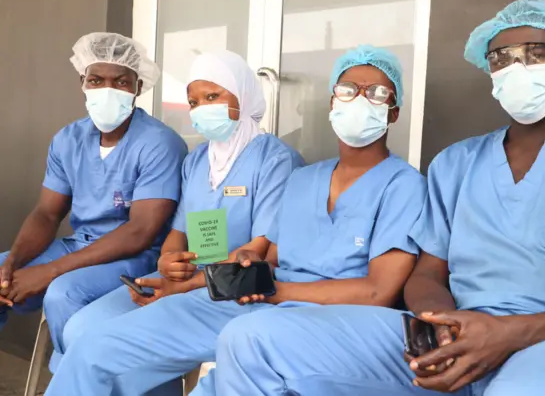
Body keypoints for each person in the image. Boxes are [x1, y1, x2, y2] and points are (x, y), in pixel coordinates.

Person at [208, 0, 545, 396]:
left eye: (536, 53)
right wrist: (440, 324)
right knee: (252, 339)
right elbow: (428, 274)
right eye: (502, 58)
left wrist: (510, 332)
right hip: (455, 334)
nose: (517, 67)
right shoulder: (456, 163)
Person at [44, 45, 427, 396]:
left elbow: (379, 292)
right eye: (347, 89)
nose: (359, 100)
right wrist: (204, 277)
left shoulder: (403, 185)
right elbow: (269, 261)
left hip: (319, 318)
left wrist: (276, 292)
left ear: (392, 111)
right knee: (95, 346)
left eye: (376, 93)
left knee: (242, 346)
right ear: (331, 102)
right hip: (254, 301)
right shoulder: (304, 179)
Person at [44, 49, 304, 395]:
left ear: (242, 96)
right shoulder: (197, 161)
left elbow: (258, 254)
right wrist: (168, 261)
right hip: (181, 282)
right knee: (80, 327)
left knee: (103, 350)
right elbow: (178, 233)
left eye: (213, 96)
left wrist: (185, 284)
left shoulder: (274, 160)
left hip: (231, 292)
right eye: (194, 102)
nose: (202, 109)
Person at [0, 32, 187, 370]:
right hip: (79, 245)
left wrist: (48, 271)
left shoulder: (159, 143)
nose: (107, 90)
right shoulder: (69, 139)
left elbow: (140, 232)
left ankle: (78, 380)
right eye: (96, 80)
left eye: (121, 82)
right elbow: (46, 213)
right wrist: (13, 262)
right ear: (82, 83)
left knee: (63, 292)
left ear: (138, 87)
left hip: (136, 257)